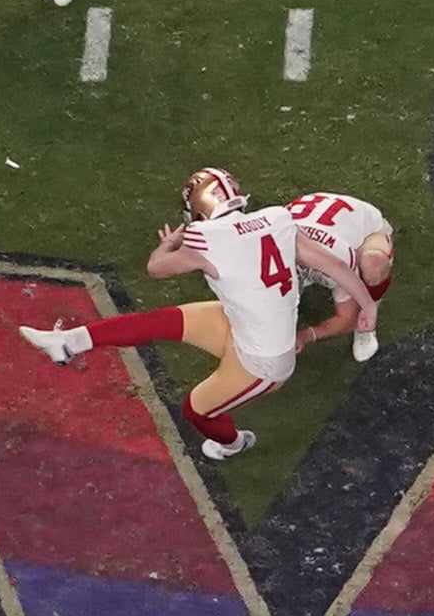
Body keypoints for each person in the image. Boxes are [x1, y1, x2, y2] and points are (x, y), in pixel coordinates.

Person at [20, 168, 379, 459]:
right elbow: (333, 265)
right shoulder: (277, 218)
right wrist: (368, 304)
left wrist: (168, 244)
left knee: (197, 411)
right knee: (159, 322)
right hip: (242, 325)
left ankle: (235, 443)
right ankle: (66, 343)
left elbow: (156, 268)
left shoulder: (205, 238)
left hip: (263, 361)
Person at [288, 191, 394, 361]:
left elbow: (346, 318)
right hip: (313, 209)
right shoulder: (270, 243)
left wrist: (306, 336)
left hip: (360, 221)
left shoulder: (337, 260)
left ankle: (367, 324)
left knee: (373, 267)